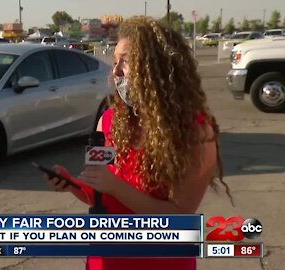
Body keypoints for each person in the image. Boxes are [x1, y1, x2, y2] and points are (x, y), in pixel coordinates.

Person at [44, 17, 233, 270]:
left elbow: (179, 218)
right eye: (114, 62)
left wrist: (117, 187)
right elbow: (100, 198)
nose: (116, 71)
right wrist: (73, 185)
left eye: (126, 60)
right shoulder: (108, 121)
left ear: (158, 67)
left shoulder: (194, 133)